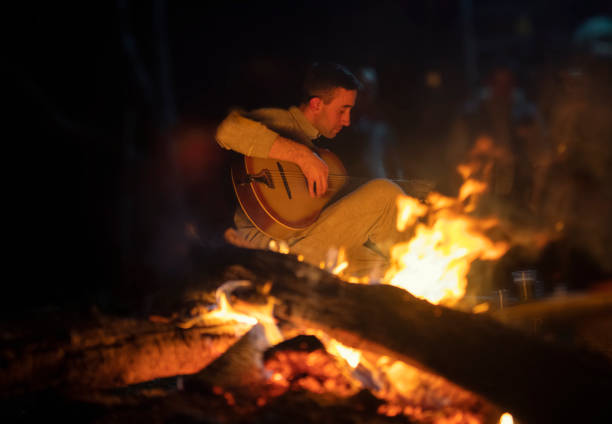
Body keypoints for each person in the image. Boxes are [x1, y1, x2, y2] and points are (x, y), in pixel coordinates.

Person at [215, 62, 407, 280]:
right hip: (271, 246)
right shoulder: (283, 122)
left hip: (305, 242)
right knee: (388, 194)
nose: (347, 120)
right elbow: (227, 130)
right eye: (342, 110)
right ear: (316, 104)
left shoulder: (318, 148)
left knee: (381, 262)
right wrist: (302, 156)